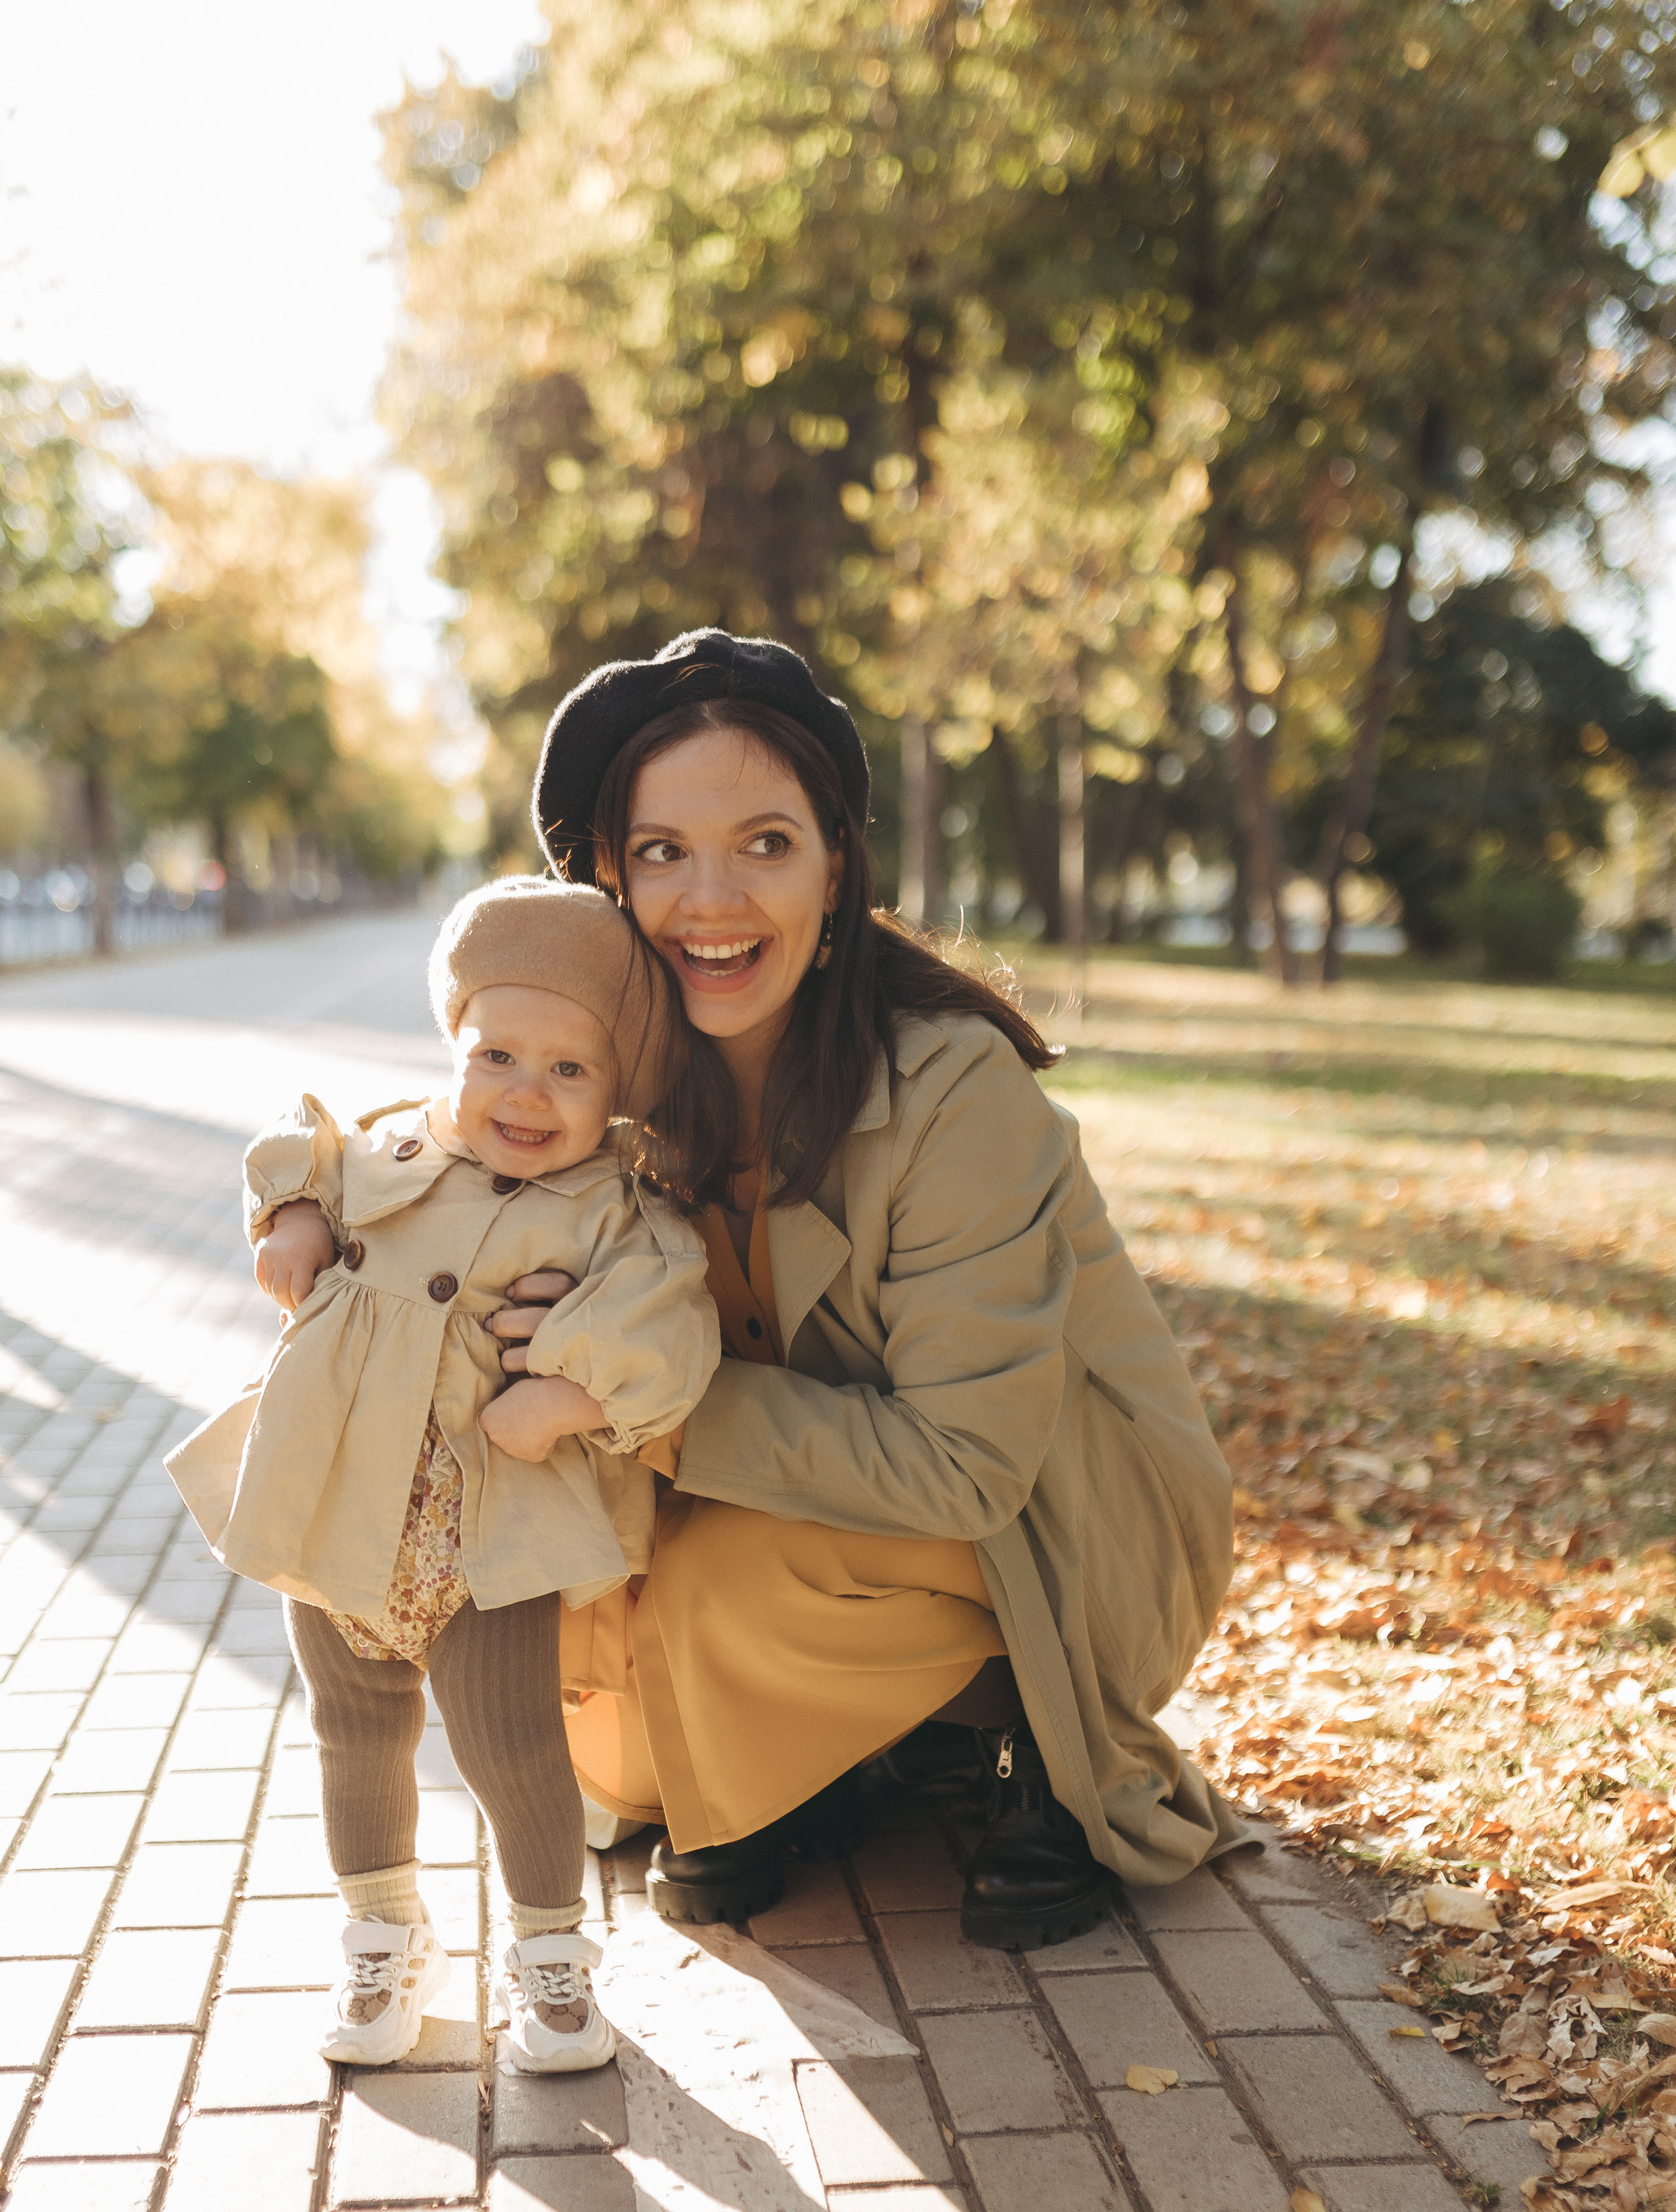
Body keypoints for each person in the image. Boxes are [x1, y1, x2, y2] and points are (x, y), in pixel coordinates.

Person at [491, 629, 1242, 1946]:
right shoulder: (610, 1083)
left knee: (711, 1593)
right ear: (610, 878)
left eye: (766, 844)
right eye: (662, 851)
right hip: (811, 1501)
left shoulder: (953, 1089)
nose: (711, 901)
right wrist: (314, 1212)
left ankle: (1034, 1732)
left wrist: (639, 1406)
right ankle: (838, 1750)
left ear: (836, 866)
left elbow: (966, 1465)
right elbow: (434, 1150)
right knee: (571, 1652)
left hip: (1063, 1513)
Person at [166, 878, 719, 2071]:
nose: (526, 1091)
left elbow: (667, 1319)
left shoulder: (613, 1209)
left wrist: (568, 1395)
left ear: (618, 1088)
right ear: (454, 1046)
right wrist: (295, 1219)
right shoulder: (392, 1148)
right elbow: (305, 1153)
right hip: (335, 1498)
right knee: (354, 1729)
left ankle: (552, 1954)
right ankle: (382, 1935)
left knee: (512, 1745)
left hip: (489, 1532)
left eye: (570, 1070)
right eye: (497, 1056)